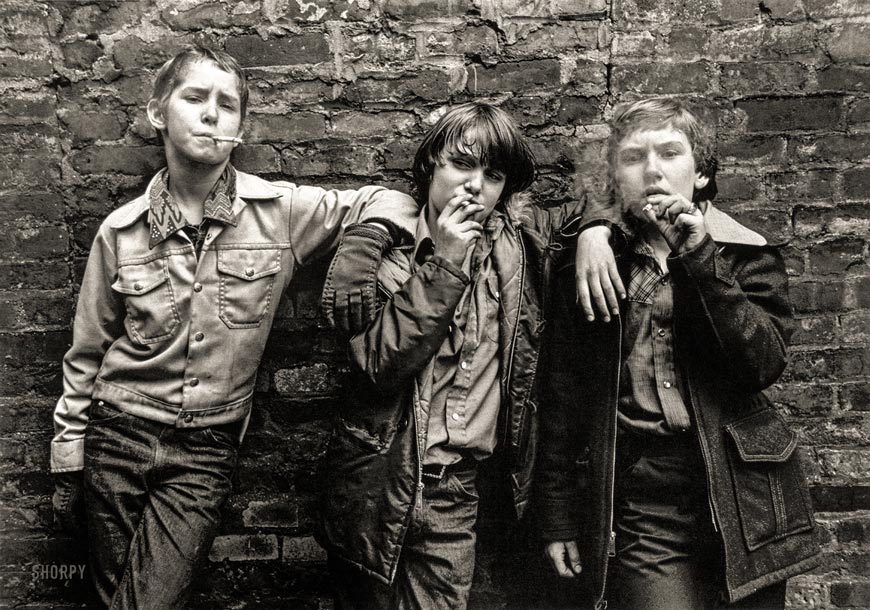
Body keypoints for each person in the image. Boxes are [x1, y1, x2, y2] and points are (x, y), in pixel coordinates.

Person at [49, 45, 418, 610]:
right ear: (157, 113)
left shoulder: (282, 212)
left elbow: (397, 202)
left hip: (205, 448)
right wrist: (70, 452)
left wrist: (365, 241)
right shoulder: (119, 232)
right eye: (194, 98)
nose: (211, 114)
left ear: (241, 129)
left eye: (228, 105)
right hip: (115, 435)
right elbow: (87, 352)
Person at [316, 101, 621, 609]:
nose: (475, 185)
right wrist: (446, 264)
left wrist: (594, 231)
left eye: (493, 175)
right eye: (461, 164)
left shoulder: (521, 244)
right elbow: (380, 366)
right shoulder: (384, 255)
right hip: (375, 487)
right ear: (430, 163)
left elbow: (613, 193)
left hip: (456, 493)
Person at [537, 97, 820, 610]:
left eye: (670, 153)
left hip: (746, 494)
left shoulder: (745, 253)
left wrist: (698, 257)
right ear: (616, 180)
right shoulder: (595, 263)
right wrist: (557, 513)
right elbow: (563, 393)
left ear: (701, 174)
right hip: (647, 503)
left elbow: (761, 363)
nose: (652, 170)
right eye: (632, 157)